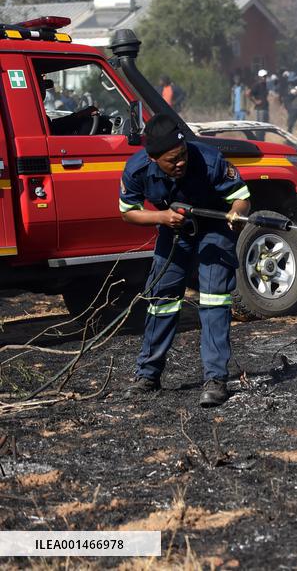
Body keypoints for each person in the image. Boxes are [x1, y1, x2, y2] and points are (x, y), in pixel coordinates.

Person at [119, 114, 250, 407]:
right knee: (162, 298)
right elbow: (128, 211)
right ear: (153, 159)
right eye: (171, 160)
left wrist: (237, 212)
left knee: (215, 299)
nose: (180, 163)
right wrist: (161, 217)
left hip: (215, 229)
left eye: (182, 156)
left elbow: (241, 197)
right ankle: (148, 376)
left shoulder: (209, 159)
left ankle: (216, 379)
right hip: (172, 227)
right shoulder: (136, 169)